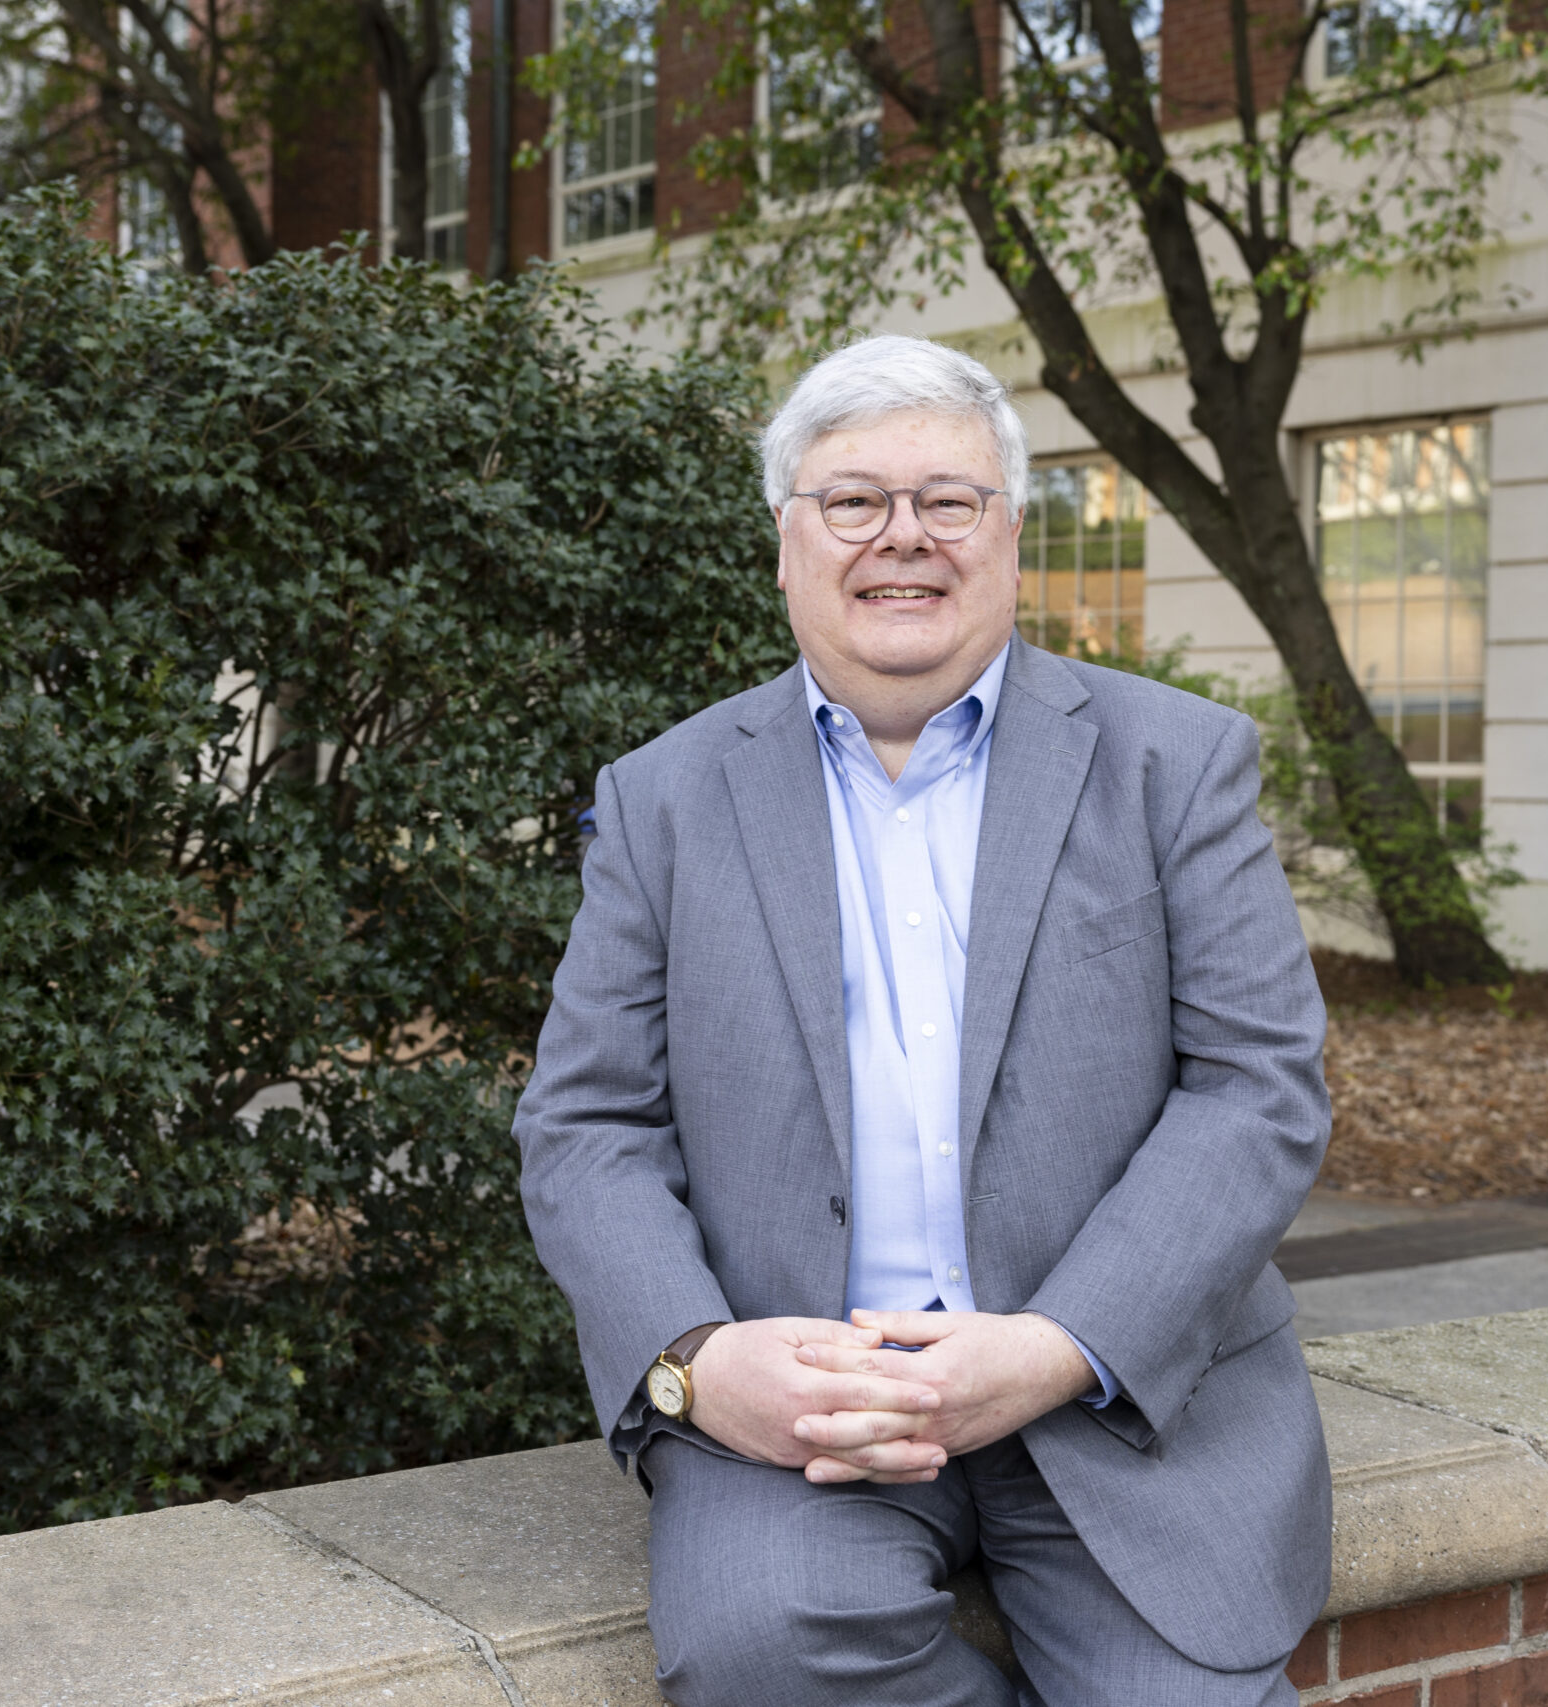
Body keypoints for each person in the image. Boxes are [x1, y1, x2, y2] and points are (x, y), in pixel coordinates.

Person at [514, 334, 1333, 1707]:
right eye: (853, 501)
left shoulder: (1174, 767)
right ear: (787, 543)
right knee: (761, 1648)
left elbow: (1257, 1090)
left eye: (948, 500)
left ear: (1012, 535)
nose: (904, 537)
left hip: (1119, 1401)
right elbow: (587, 1126)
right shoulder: (664, 803)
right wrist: (699, 1364)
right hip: (812, 1419)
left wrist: (1059, 1345)